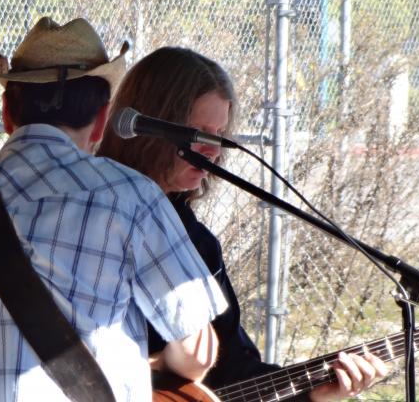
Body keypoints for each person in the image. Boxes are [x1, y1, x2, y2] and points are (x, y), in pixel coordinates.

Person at [0, 19, 228, 402]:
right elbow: (196, 354)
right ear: (101, 121)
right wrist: (158, 365)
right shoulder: (132, 199)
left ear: (7, 113)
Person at [97, 46, 389, 402]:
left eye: (219, 134)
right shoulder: (88, 209)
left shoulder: (197, 243)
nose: (213, 150)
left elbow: (234, 371)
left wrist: (315, 392)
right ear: (150, 126)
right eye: (198, 132)